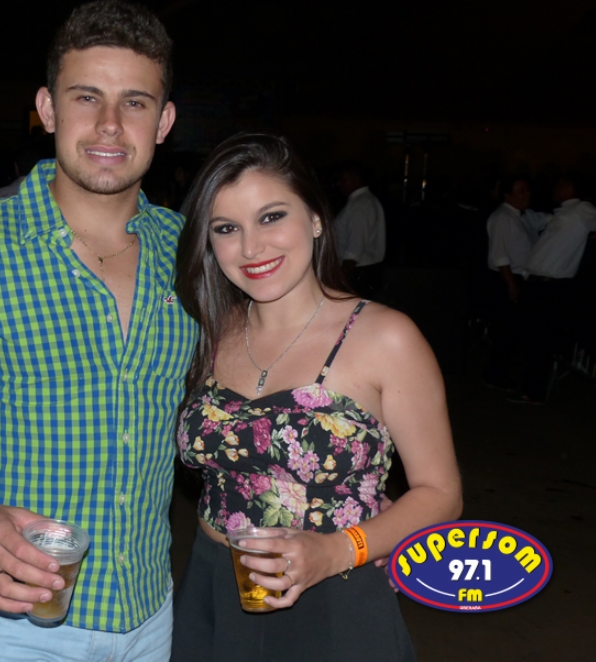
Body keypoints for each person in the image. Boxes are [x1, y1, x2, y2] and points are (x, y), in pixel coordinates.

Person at [0, 2, 194, 660]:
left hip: (150, 611)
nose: (110, 124)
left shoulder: (189, 252)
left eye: (135, 102)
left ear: (163, 122)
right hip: (12, 619)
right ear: (48, 109)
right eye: (87, 97)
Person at [171, 133, 462, 661]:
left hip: (334, 598)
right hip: (212, 589)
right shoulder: (211, 330)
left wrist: (336, 550)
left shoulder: (385, 337)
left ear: (315, 219)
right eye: (226, 228)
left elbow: (441, 493)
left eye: (271, 217)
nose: (251, 248)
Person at [510, 174, 596, 404]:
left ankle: (533, 392)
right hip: (536, 283)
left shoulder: (581, 209)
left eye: (558, 185)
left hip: (551, 287)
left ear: (569, 187)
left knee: (540, 341)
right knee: (529, 337)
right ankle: (526, 386)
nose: (554, 189)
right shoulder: (560, 214)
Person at [482, 176, 545, 389]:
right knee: (506, 329)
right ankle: (495, 374)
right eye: (521, 191)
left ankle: (500, 372)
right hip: (506, 278)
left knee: (513, 329)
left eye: (527, 190)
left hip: (518, 278)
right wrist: (511, 284)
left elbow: (547, 220)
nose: (527, 194)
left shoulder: (524, 216)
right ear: (507, 195)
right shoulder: (502, 218)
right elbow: (499, 255)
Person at [334, 163, 386, 299]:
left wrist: (340, 277)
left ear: (355, 180)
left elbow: (355, 247)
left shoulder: (359, 205)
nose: (339, 184)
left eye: (343, 180)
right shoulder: (365, 201)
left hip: (358, 273)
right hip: (364, 271)